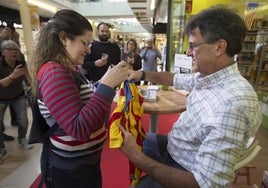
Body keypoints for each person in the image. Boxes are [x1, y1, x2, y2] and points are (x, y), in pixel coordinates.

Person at [119, 5, 262, 188]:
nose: (187, 52)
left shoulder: (232, 105)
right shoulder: (210, 77)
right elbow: (174, 78)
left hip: (186, 168)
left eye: (193, 46)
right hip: (175, 148)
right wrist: (142, 75)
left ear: (219, 47)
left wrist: (137, 158)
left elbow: (204, 183)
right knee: (141, 139)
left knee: (137, 164)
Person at [29, 9, 129, 188]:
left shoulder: (68, 68)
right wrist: (106, 86)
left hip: (82, 165)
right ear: (64, 38)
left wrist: (106, 81)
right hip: (71, 172)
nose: (88, 49)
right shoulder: (54, 72)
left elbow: (82, 99)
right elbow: (79, 129)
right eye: (84, 42)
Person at [0, 40, 33, 162]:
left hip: (18, 96)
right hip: (1, 98)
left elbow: (28, 79)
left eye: (16, 49)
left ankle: (22, 139)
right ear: (3, 52)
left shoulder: (21, 63)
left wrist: (29, 78)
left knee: (23, 120)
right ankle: (1, 149)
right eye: (10, 49)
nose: (14, 52)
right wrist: (12, 76)